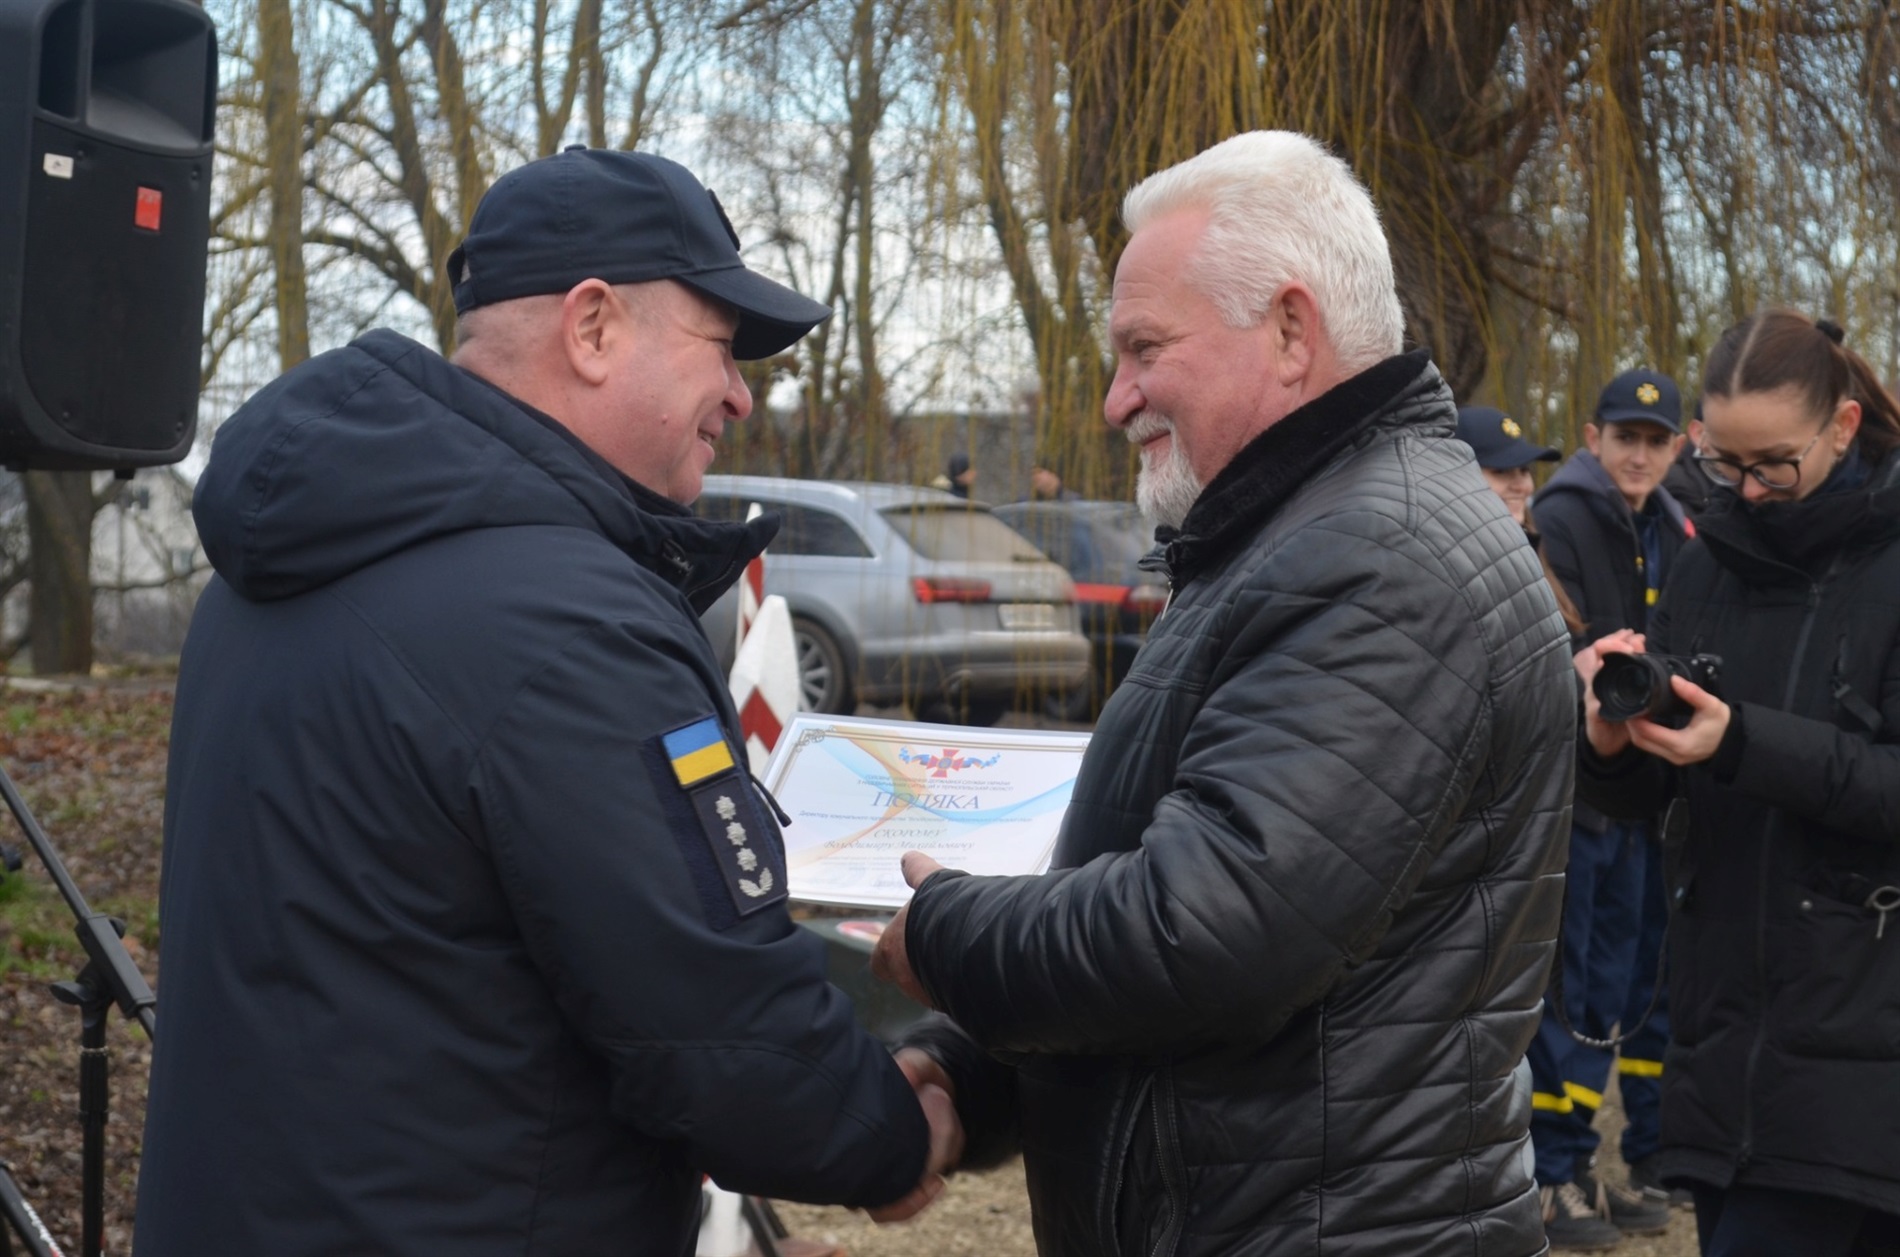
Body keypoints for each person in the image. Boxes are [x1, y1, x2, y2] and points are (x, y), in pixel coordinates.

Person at [135, 147, 956, 1256]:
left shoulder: (276, 569)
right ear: (594, 327)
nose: (740, 395)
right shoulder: (565, 625)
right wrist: (900, 1129)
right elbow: (729, 1045)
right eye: (720, 347)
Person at [869, 130, 1573, 1255]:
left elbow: (1210, 935)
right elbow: (1218, 924)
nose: (1114, 399)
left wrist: (948, 934)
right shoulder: (1295, 536)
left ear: (1291, 330)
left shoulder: (1375, 556)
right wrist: (969, 1069)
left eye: (1144, 347)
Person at [1575, 310, 1900, 1257]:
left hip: (1862, 1052)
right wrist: (1609, 741)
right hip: (1721, 1046)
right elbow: (1657, 794)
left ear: (1842, 427)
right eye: (1725, 465)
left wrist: (1743, 741)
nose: (1750, 491)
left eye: (1774, 466)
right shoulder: (1705, 562)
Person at [1528, 369, 1690, 1246]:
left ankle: (1585, 1161)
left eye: (1655, 440)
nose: (1638, 453)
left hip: (1642, 792)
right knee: (1575, 989)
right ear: (1592, 437)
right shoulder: (1564, 518)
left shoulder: (1667, 524)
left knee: (1623, 989)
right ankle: (1552, 1175)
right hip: (1582, 793)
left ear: (1675, 447)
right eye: (1624, 436)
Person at [1455, 403, 1584, 637]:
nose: (1522, 486)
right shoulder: (1454, 569)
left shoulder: (1532, 550)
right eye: (1501, 471)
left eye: (1524, 470)